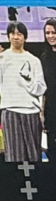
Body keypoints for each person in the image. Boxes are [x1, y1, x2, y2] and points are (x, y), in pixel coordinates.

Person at [0, 21, 48, 162]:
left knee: (34, 156)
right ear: (8, 36)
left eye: (19, 34)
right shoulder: (1, 58)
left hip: (31, 112)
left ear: (25, 37)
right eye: (12, 33)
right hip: (10, 111)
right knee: (14, 156)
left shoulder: (33, 60)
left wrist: (28, 80)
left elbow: (41, 88)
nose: (15, 37)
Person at [40, 18, 56, 157]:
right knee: (52, 148)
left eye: (54, 32)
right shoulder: (44, 58)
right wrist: (42, 111)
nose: (50, 36)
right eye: (47, 33)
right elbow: (43, 87)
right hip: (51, 108)